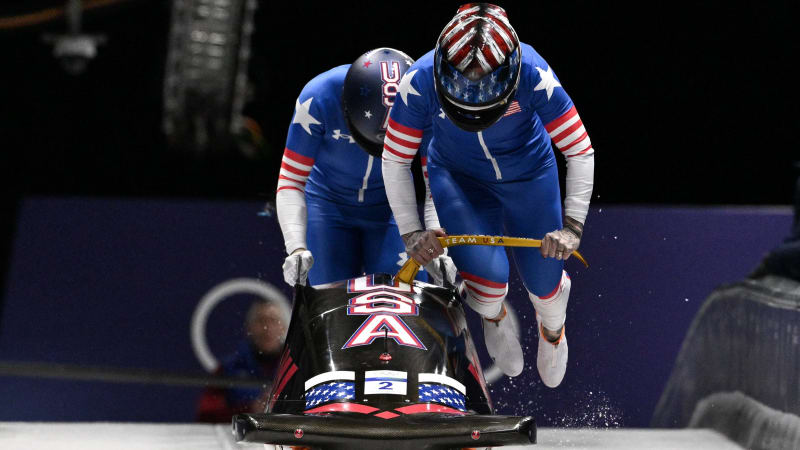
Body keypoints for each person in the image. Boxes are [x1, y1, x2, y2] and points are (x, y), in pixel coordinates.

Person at [382, 3, 595, 387]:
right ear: (442, 68)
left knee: (546, 288)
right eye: (463, 82)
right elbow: (395, 159)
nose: (473, 92)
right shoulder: (419, 81)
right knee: (486, 283)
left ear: (510, 72)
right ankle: (492, 314)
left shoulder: (534, 73)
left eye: (485, 83)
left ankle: (553, 328)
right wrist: (412, 232)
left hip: (530, 177)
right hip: (460, 180)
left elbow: (579, 150)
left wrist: (572, 227)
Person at [276, 48, 455, 287]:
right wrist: (296, 248)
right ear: (347, 107)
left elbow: (435, 181)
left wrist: (437, 243)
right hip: (327, 208)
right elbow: (291, 180)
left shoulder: (423, 100)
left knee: (403, 299)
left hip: (391, 210)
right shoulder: (318, 97)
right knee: (329, 303)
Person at [196, 298, 289, 422]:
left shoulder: (300, 369)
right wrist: (249, 411)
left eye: (274, 321)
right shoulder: (227, 369)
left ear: (284, 328)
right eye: (261, 321)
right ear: (249, 328)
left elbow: (313, 412)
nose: (267, 328)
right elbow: (205, 415)